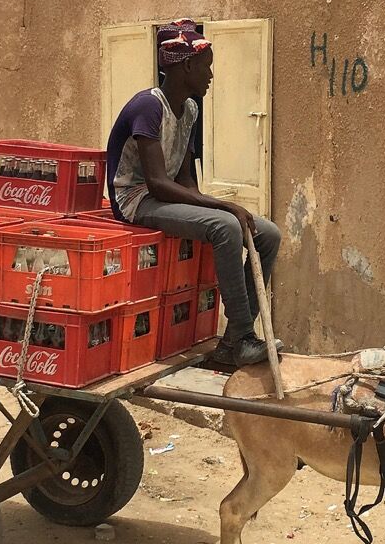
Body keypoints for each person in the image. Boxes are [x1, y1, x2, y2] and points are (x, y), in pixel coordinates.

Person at [107, 19, 281, 367]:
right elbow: (156, 181)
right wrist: (221, 208)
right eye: (206, 67)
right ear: (186, 66)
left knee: (268, 234)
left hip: (164, 196)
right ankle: (244, 335)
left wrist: (212, 212)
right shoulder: (148, 106)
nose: (211, 76)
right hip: (136, 200)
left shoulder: (189, 110)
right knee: (227, 226)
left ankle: (234, 338)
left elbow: (185, 178)